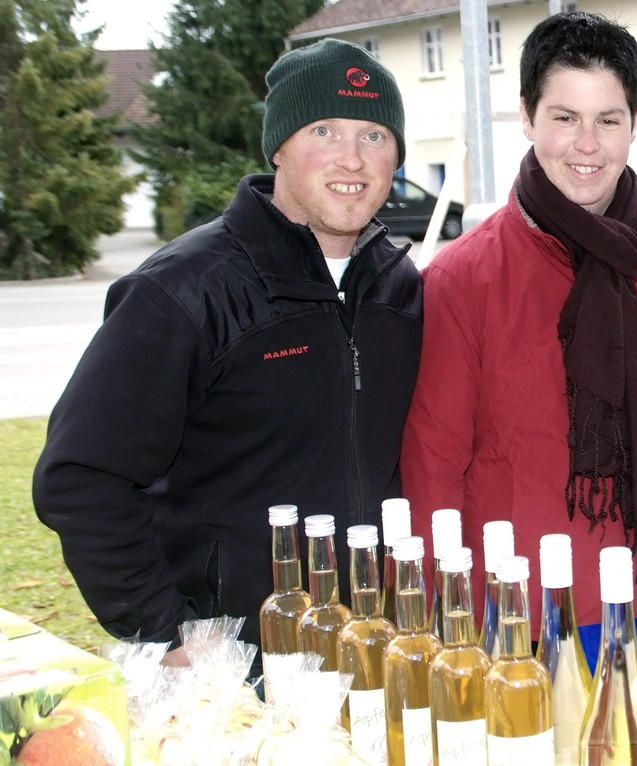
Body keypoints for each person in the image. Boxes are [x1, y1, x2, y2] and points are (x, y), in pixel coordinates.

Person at [33, 39, 423, 670]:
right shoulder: (183, 290)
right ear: (278, 147)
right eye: (324, 130)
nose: (352, 158)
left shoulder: (399, 289)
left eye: (374, 135)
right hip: (236, 667)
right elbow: (81, 475)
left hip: (374, 650)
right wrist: (166, 633)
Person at [399, 12, 637, 633]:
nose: (587, 144)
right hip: (526, 629)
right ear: (527, 117)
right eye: (565, 118)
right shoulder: (463, 280)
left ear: (634, 124)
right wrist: (444, 625)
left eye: (608, 120)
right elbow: (431, 471)